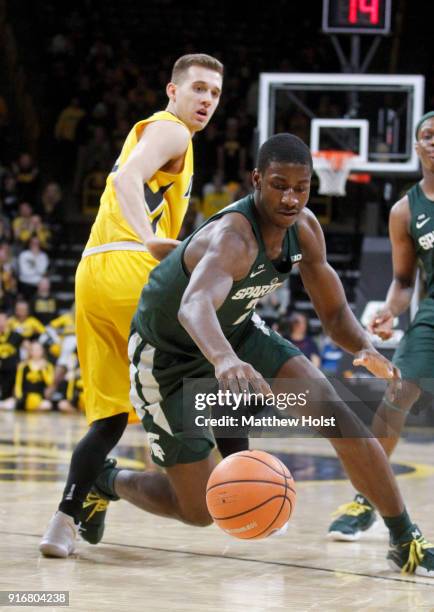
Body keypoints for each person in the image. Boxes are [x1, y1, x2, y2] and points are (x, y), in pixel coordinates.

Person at [76, 134, 433, 576]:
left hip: (239, 332)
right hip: (166, 357)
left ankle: (405, 540)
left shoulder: (304, 229)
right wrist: (224, 360)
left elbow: (336, 311)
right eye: (279, 185)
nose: (290, 197)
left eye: (301, 188)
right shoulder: (233, 238)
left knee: (341, 416)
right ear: (257, 180)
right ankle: (106, 481)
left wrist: (364, 347)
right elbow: (194, 306)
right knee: (200, 509)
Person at [39, 53, 223, 557]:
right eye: (198, 89)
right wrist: (150, 241)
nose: (206, 100)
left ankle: (64, 522)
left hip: (90, 273)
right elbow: (123, 181)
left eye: (214, 93)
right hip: (128, 271)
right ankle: (233, 469)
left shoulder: (159, 134)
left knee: (110, 418)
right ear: (172, 90)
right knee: (206, 361)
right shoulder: (174, 132)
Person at [328, 111, 434, 541]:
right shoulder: (405, 210)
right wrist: (391, 309)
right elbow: (405, 281)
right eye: (428, 135)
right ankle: (367, 497)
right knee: (398, 388)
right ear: (416, 145)